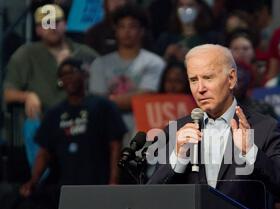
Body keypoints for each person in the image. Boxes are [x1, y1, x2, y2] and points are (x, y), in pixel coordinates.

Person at [147, 44, 280, 209]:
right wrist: (178, 158)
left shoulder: (265, 128)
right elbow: (152, 198)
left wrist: (251, 152)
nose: (200, 89)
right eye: (193, 80)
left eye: (208, 78)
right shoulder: (176, 131)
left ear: (232, 78)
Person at [20, 58, 127, 196]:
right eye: (63, 75)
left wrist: (114, 180)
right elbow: (44, 152)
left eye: (72, 72)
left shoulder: (103, 106)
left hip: (99, 183)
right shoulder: (54, 113)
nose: (68, 77)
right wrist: (34, 180)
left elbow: (115, 146)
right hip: (64, 186)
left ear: (84, 74)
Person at [4, 4, 98, 117]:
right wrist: (27, 96)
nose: (52, 27)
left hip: (83, 118)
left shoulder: (84, 53)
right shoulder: (26, 54)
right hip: (44, 122)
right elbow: (7, 94)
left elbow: (106, 83)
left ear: (65, 24)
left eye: (56, 22)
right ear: (38, 30)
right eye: (46, 23)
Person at [89, 4, 165, 141]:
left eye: (132, 26)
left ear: (142, 31)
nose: (127, 32)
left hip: (145, 134)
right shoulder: (99, 64)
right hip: (106, 133)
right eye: (122, 26)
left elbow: (146, 97)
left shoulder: (155, 62)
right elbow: (97, 102)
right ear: (115, 30)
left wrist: (110, 100)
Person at [155, 0, 221, 62]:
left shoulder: (211, 38)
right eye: (181, 5)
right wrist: (167, 55)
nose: (185, 8)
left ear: (199, 8)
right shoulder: (165, 38)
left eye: (190, 5)